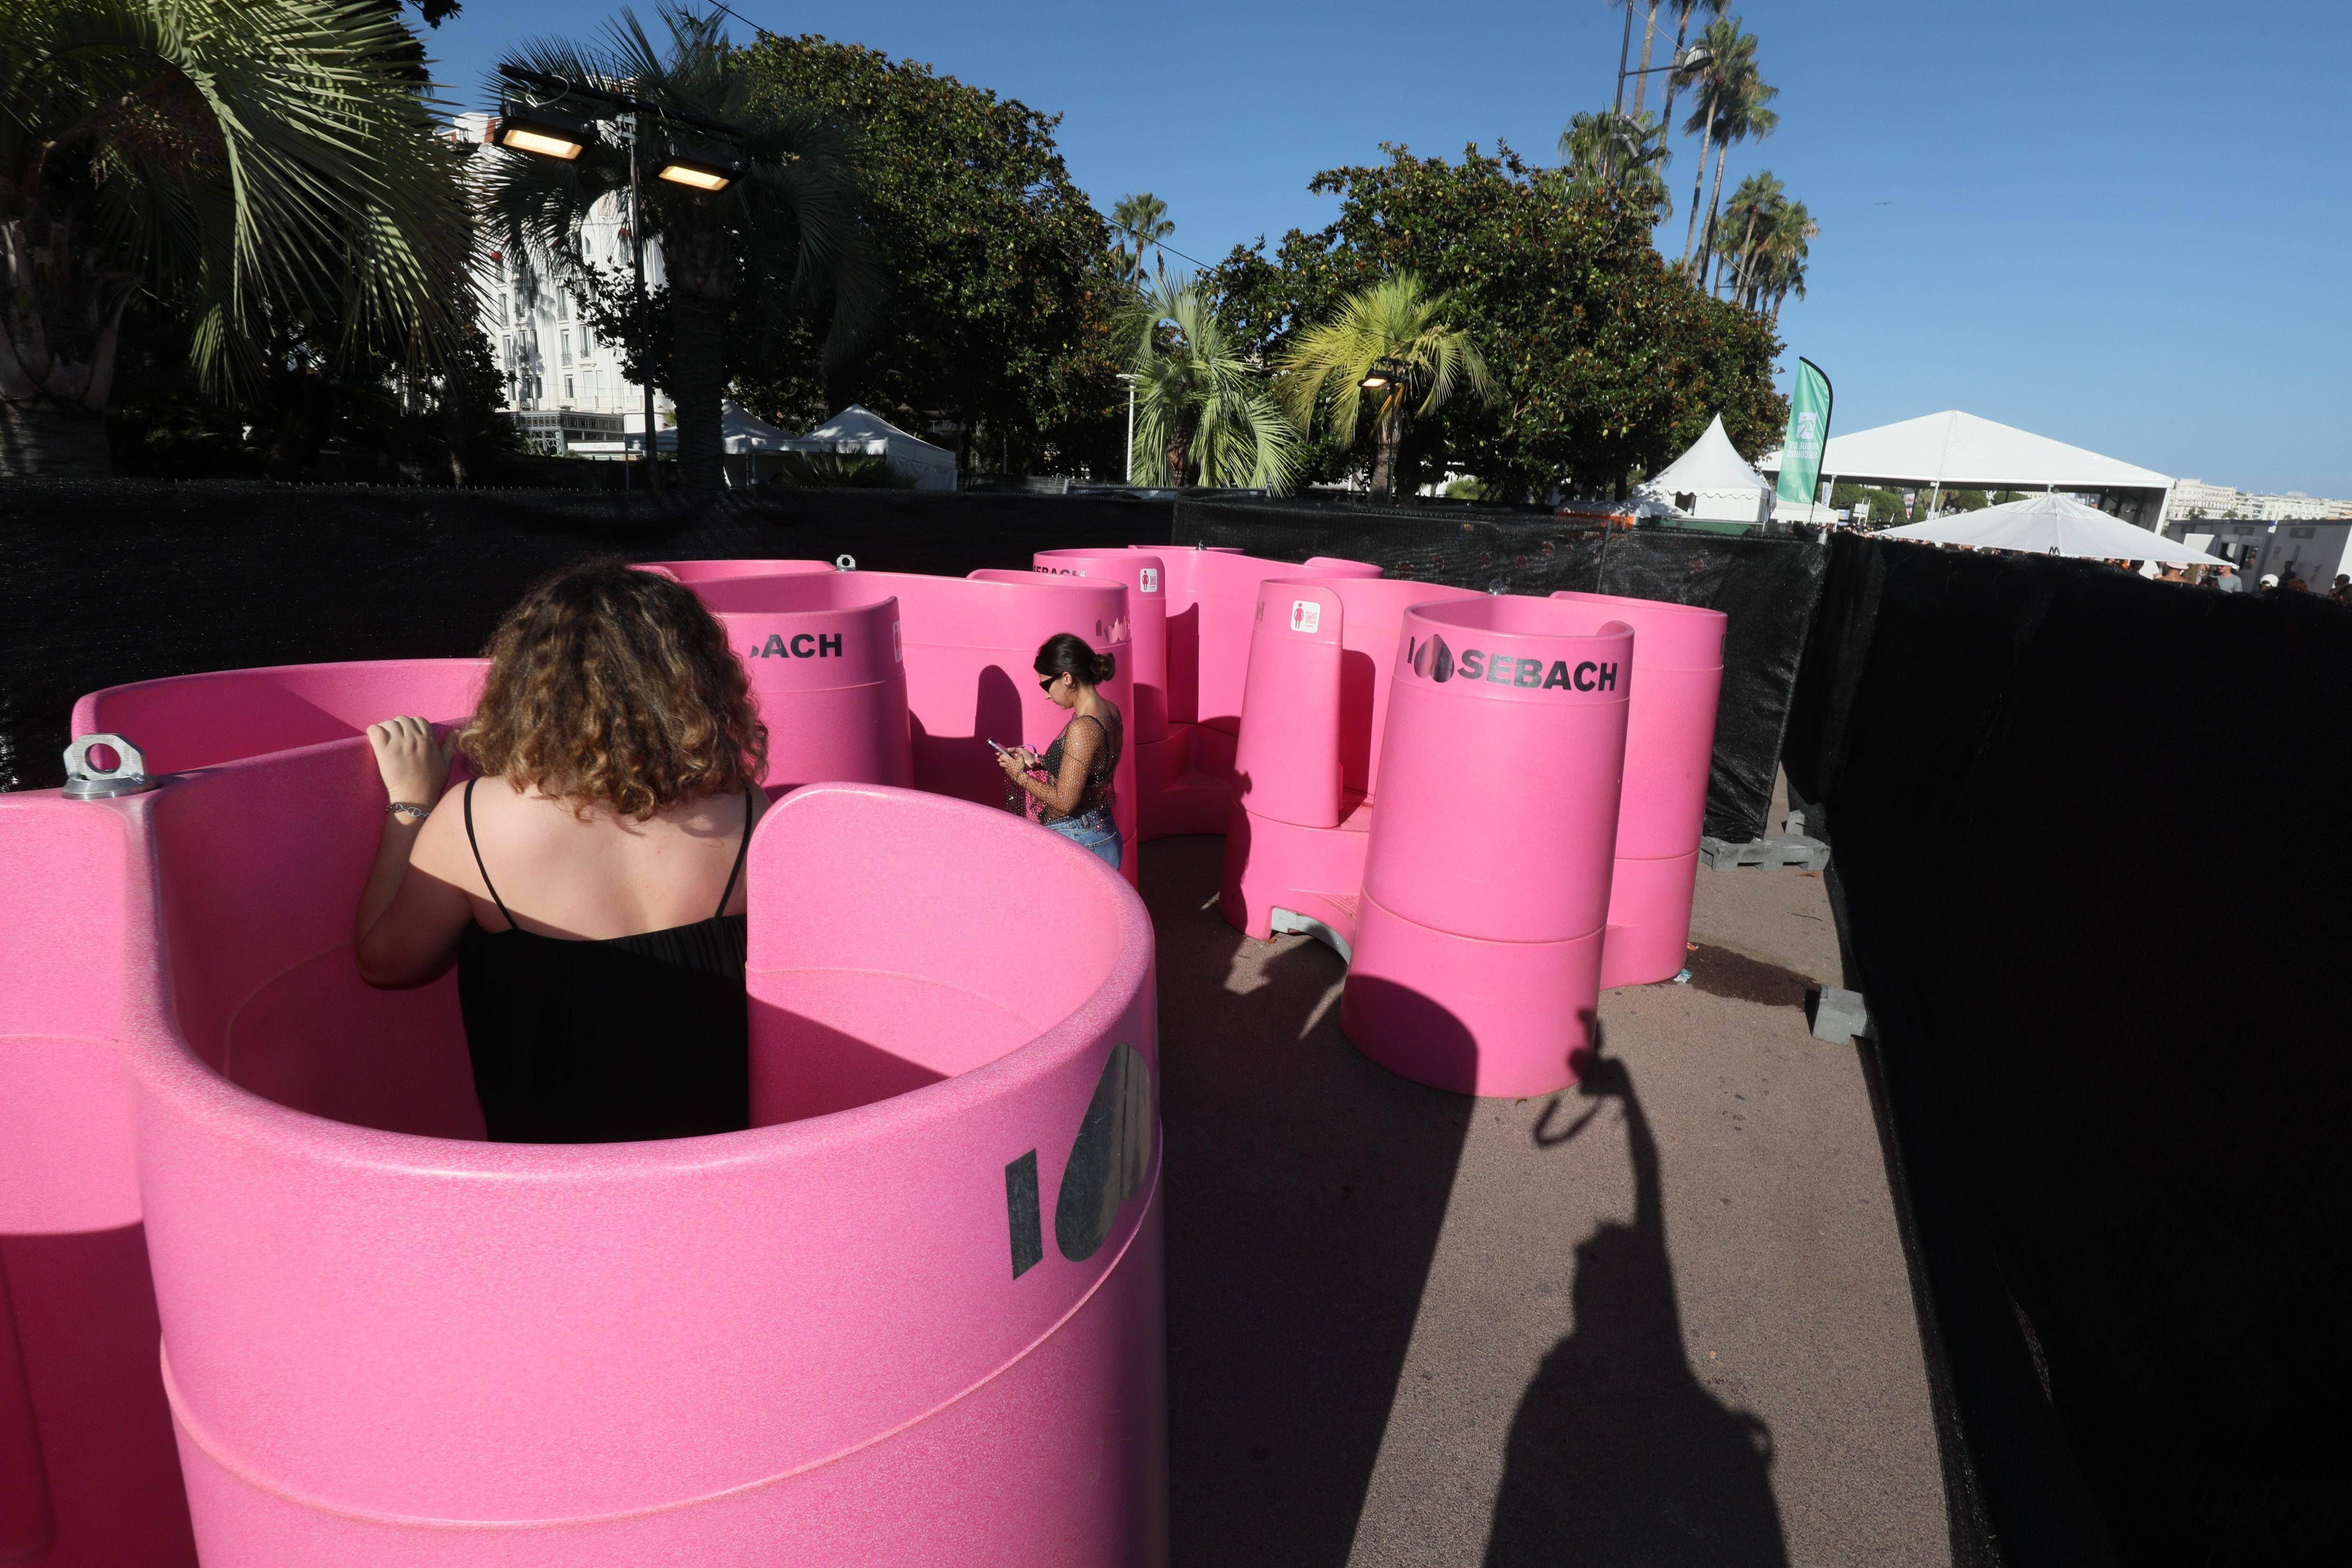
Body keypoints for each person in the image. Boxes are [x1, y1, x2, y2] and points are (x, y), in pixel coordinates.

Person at [354, 560, 769, 1143]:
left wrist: (411, 806)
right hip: (719, 1163)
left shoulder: (476, 819)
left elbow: (385, 964)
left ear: (531, 682)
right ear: (698, 679)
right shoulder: (752, 812)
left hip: (553, 1181)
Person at [997, 633, 1124, 870]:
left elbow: (1065, 802)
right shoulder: (1109, 710)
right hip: (1100, 832)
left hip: (1080, 839)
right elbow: (1088, 771)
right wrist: (1037, 761)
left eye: (1046, 685)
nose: (1046, 695)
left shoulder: (1083, 727)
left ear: (1067, 678)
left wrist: (1019, 776)